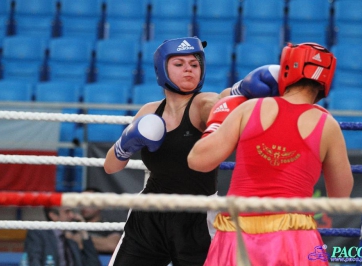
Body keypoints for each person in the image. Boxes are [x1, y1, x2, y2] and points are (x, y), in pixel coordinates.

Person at [103, 36, 280, 266]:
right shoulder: (149, 111)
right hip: (149, 214)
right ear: (162, 69)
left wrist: (239, 92)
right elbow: (110, 167)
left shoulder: (202, 104)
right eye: (179, 64)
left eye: (194, 64)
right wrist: (125, 144)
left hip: (197, 216)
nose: (189, 69)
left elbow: (220, 103)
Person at [188, 42, 354, 266]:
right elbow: (340, 197)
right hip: (294, 237)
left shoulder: (250, 108)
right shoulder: (327, 124)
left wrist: (217, 121)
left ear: (287, 67)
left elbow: (197, 161)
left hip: (238, 233)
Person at [22, 206, 101, 266]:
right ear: (53, 216)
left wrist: (84, 233)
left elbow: (93, 264)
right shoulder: (38, 234)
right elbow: (34, 262)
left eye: (72, 212)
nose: (72, 216)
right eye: (67, 212)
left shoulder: (71, 242)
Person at [80, 188, 122, 255]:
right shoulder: (73, 224)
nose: (84, 205)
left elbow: (112, 245)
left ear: (100, 204)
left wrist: (81, 240)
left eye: (89, 201)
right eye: (81, 201)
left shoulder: (110, 226)